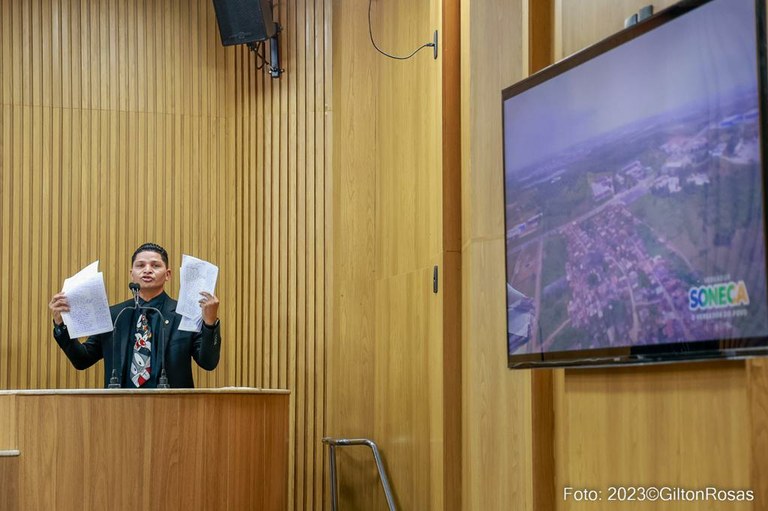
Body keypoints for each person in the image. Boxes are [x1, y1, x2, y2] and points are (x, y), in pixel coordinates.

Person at [48, 243, 221, 388]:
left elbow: (208, 363)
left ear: (167, 274)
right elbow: (82, 360)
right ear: (132, 273)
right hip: (121, 410)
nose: (147, 270)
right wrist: (61, 325)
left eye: (155, 265)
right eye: (140, 265)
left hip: (173, 410)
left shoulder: (184, 314)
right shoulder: (115, 315)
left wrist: (210, 323)